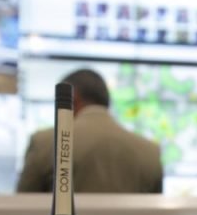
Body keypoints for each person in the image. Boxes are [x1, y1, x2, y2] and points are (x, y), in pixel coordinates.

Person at [17, 68, 163, 194]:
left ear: (72, 99)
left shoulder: (45, 142)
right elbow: (155, 214)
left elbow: (22, 208)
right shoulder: (150, 152)